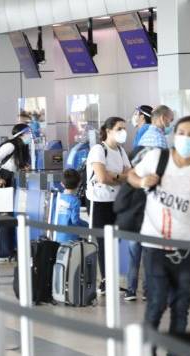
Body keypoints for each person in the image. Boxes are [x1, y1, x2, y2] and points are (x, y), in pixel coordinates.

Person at [127, 115, 190, 356]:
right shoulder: (158, 158)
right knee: (156, 303)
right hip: (154, 244)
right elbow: (131, 175)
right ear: (174, 135)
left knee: (181, 307)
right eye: (182, 133)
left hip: (184, 247)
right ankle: (149, 354)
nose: (186, 139)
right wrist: (142, 181)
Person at [123, 105, 175, 302]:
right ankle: (146, 290)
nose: (170, 124)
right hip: (148, 197)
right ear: (161, 118)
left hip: (136, 196)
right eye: (169, 120)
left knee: (135, 244)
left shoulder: (147, 136)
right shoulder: (155, 138)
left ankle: (131, 289)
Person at [86, 117, 131, 295]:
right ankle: (105, 281)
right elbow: (102, 178)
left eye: (124, 128)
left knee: (114, 242)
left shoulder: (121, 151)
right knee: (104, 242)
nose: (123, 132)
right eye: (119, 128)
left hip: (116, 202)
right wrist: (119, 177)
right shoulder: (98, 150)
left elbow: (130, 174)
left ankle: (112, 279)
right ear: (108, 130)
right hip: (99, 202)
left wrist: (116, 176)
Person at [0, 123, 32, 187]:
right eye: (28, 132)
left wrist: (23, 167)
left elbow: (12, 164)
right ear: (20, 135)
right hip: (1, 179)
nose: (30, 135)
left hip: (10, 179)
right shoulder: (10, 146)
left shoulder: (22, 147)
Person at [54, 169, 88, 243]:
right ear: (79, 184)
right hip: (70, 237)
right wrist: (87, 225)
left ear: (62, 184)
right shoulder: (75, 201)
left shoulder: (57, 197)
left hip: (57, 235)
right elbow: (75, 220)